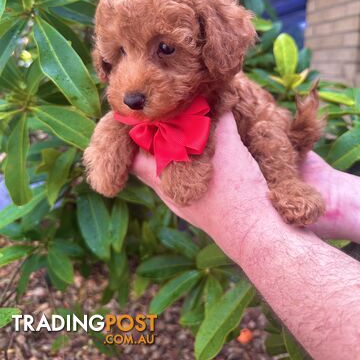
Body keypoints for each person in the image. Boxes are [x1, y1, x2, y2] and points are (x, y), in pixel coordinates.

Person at [132, 112, 360, 360]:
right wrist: (335, 196)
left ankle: (288, 187)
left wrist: (247, 226)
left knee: (265, 135)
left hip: (266, 144)